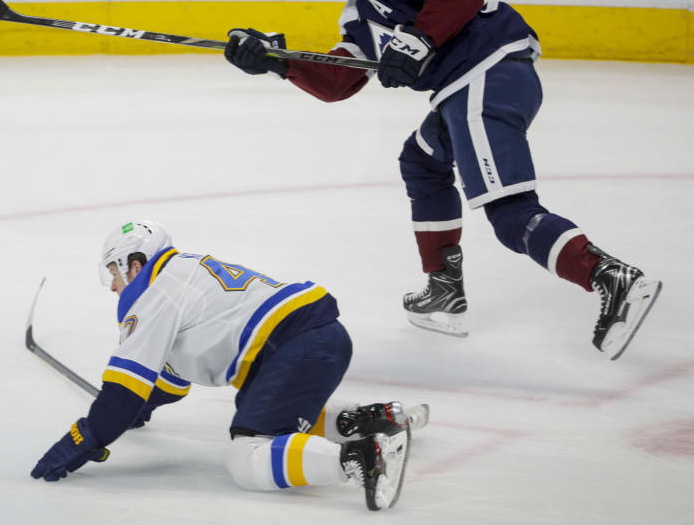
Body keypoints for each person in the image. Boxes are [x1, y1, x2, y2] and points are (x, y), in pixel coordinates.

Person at [223, 0, 662, 360]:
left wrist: (418, 40)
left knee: (510, 213)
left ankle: (609, 275)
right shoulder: (357, 16)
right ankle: (444, 288)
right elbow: (339, 81)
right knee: (421, 160)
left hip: (484, 75)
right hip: (463, 90)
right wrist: (277, 62)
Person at [29, 219, 429, 511]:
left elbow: (125, 390)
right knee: (269, 407)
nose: (114, 286)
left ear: (135, 263)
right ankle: (368, 419)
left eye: (114, 272)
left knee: (247, 454)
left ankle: (360, 456)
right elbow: (167, 381)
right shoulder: (183, 272)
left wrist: (88, 435)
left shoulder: (152, 295)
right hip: (317, 338)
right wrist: (136, 408)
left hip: (296, 346)